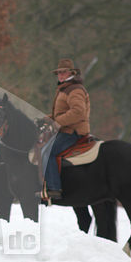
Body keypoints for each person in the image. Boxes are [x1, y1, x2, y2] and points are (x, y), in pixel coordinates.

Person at [42, 58, 91, 200]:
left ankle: (54, 188)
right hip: (66, 129)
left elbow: (78, 112)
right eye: (58, 73)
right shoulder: (65, 88)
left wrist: (57, 123)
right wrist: (46, 119)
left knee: (47, 151)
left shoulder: (74, 90)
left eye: (63, 72)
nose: (60, 75)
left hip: (73, 132)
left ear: (71, 72)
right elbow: (62, 113)